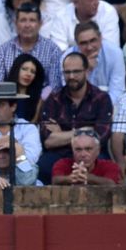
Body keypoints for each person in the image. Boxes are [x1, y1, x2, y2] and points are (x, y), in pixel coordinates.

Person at [36, 48, 108, 181]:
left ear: (87, 71)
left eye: (76, 72)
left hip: (92, 153)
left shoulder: (101, 98)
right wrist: (84, 131)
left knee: (106, 168)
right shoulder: (54, 99)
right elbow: (48, 141)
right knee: (43, 167)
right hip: (60, 154)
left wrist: (62, 134)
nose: (71, 76)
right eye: (67, 72)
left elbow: (100, 136)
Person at [0, 0, 61, 89]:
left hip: (43, 100)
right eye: (23, 20)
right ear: (16, 24)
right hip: (11, 99)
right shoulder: (3, 51)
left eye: (32, 20)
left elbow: (55, 87)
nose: (27, 25)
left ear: (40, 24)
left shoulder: (52, 50)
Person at [43, 0, 115, 51]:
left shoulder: (108, 11)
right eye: (91, 0)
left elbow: (111, 49)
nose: (96, 3)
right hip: (72, 65)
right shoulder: (61, 16)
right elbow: (60, 52)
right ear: (76, 3)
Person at [50, 124, 121, 181]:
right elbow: (56, 179)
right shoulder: (63, 164)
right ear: (72, 150)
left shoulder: (109, 166)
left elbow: (111, 183)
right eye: (78, 149)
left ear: (98, 151)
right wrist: (71, 178)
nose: (83, 154)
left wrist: (88, 178)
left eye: (88, 149)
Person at [73, 19, 120, 104]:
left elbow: (117, 91)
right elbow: (72, 92)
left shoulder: (115, 54)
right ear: (76, 43)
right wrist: (86, 70)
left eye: (93, 40)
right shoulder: (68, 58)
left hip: (109, 105)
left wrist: (101, 109)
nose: (89, 47)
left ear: (100, 38)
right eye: (83, 43)